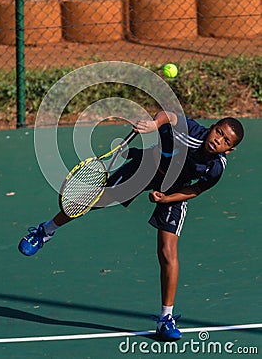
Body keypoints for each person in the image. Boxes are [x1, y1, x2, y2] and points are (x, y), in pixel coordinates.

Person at [18, 111, 244, 341]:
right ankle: (45, 231)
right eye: (219, 132)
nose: (218, 140)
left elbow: (195, 190)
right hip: (146, 168)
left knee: (167, 252)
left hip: (174, 188)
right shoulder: (192, 131)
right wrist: (154, 124)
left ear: (229, 150)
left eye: (226, 141)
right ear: (212, 127)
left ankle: (166, 318)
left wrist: (166, 199)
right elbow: (170, 115)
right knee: (92, 201)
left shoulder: (216, 167)